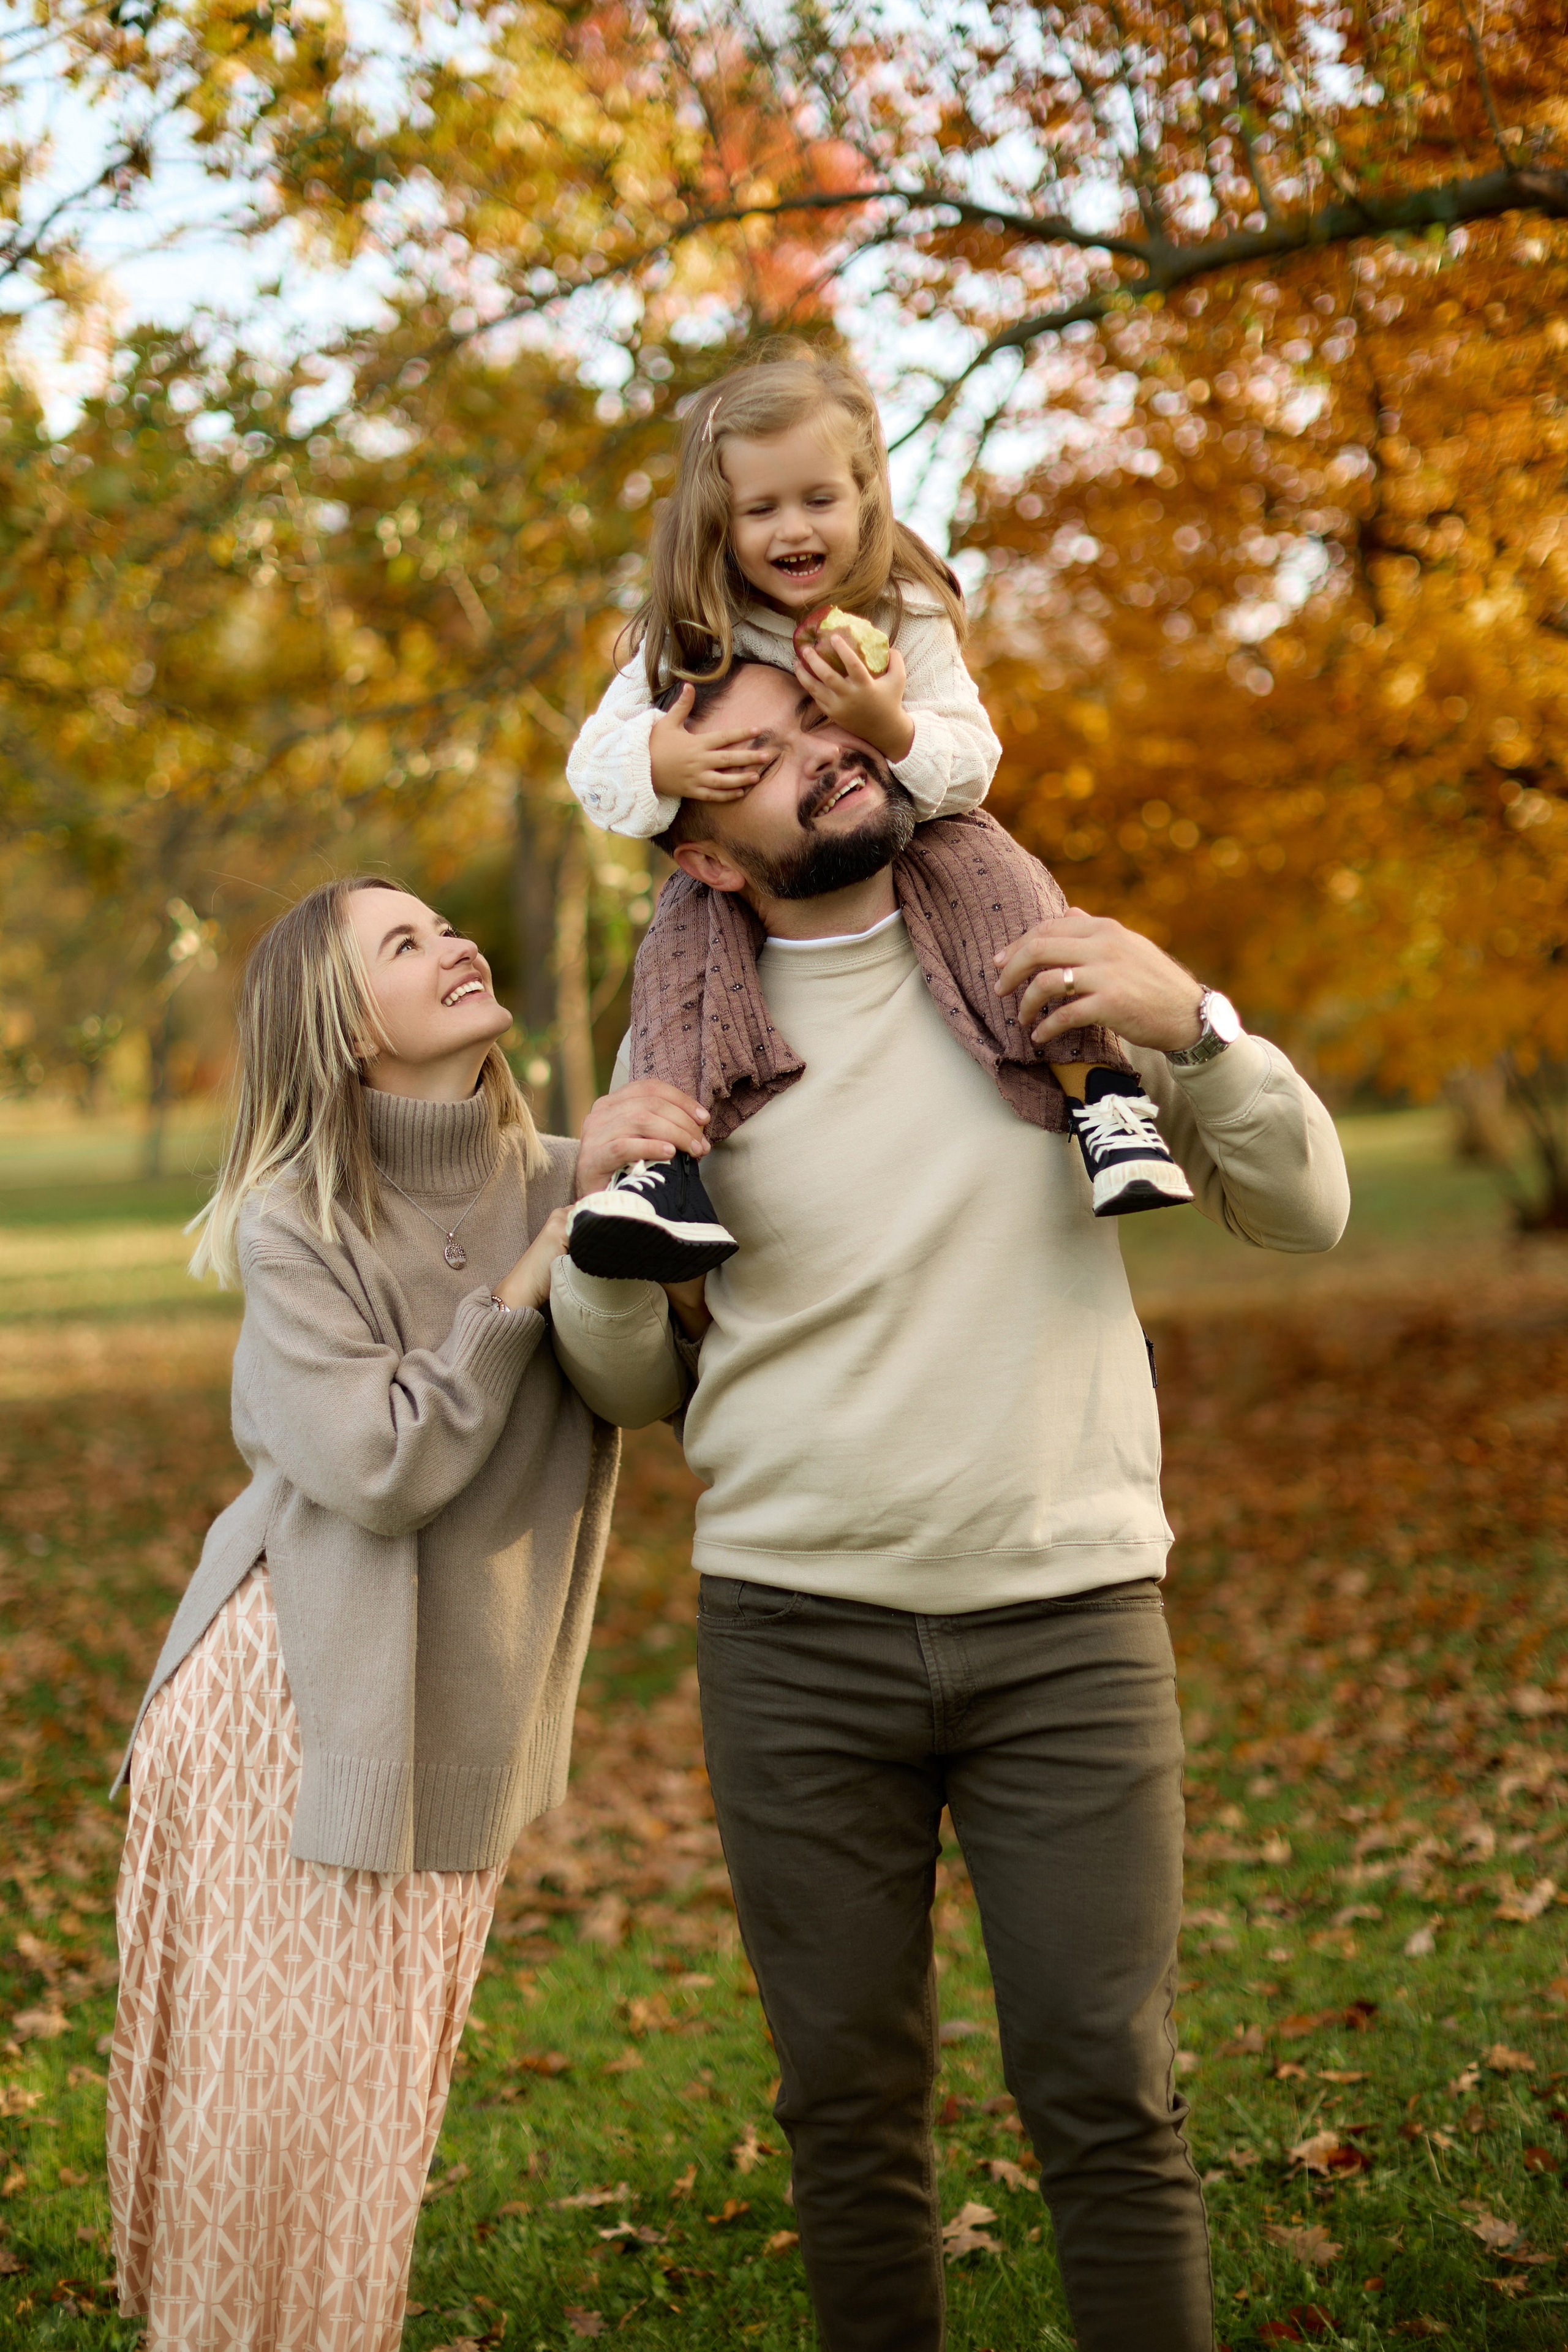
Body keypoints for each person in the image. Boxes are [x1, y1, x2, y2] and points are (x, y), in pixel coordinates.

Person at [545, 660, 1352, 2352]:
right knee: (848, 2120)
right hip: (795, 1636)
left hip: (1067, 1619)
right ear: (698, 845)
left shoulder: (1036, 961)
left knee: (1109, 2098)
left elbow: (1306, 1214)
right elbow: (631, 1385)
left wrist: (1192, 1019)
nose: (828, 761)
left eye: (838, 722)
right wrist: (599, 1220)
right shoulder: (680, 1035)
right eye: (762, 758)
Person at [105, 875, 685, 2352]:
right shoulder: (298, 1220)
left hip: (451, 1705)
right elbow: (376, 1464)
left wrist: (593, 1202)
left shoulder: (567, 1167)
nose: (456, 944)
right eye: (406, 944)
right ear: (347, 1035)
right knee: (278, 2126)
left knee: (366, 2120)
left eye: (447, 923)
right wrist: (515, 1289)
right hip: (295, 1700)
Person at [564, 342, 1191, 1277]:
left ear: (866, 497)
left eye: (819, 499)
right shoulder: (689, 631)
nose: (793, 530)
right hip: (749, 867)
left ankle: (1099, 1096)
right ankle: (662, 1174)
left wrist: (890, 727)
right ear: (720, 522)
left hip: (919, 829)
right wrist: (663, 752)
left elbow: (972, 760)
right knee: (678, 965)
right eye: (760, 509)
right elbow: (590, 763)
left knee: (1005, 888)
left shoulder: (904, 612)